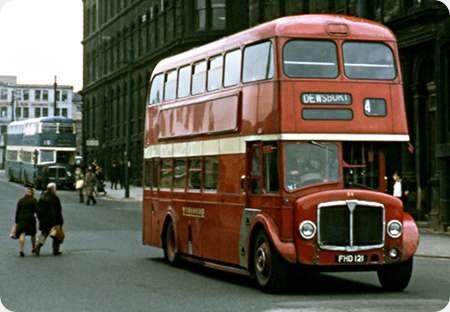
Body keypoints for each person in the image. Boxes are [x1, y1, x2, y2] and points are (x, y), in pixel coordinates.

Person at [35, 183, 64, 256]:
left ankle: (38, 246)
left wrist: (40, 218)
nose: (55, 189)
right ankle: (55, 250)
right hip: (54, 220)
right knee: (56, 235)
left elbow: (38, 210)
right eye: (55, 188)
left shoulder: (43, 197)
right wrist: (60, 221)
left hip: (44, 221)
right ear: (52, 189)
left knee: (44, 234)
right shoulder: (55, 198)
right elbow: (58, 210)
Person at [14, 187, 38, 257]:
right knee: (33, 234)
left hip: (21, 219)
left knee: (22, 234)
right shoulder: (34, 200)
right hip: (30, 219)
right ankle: (33, 248)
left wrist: (16, 221)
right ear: (32, 193)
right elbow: (36, 210)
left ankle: (21, 250)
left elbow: (17, 211)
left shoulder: (20, 200)